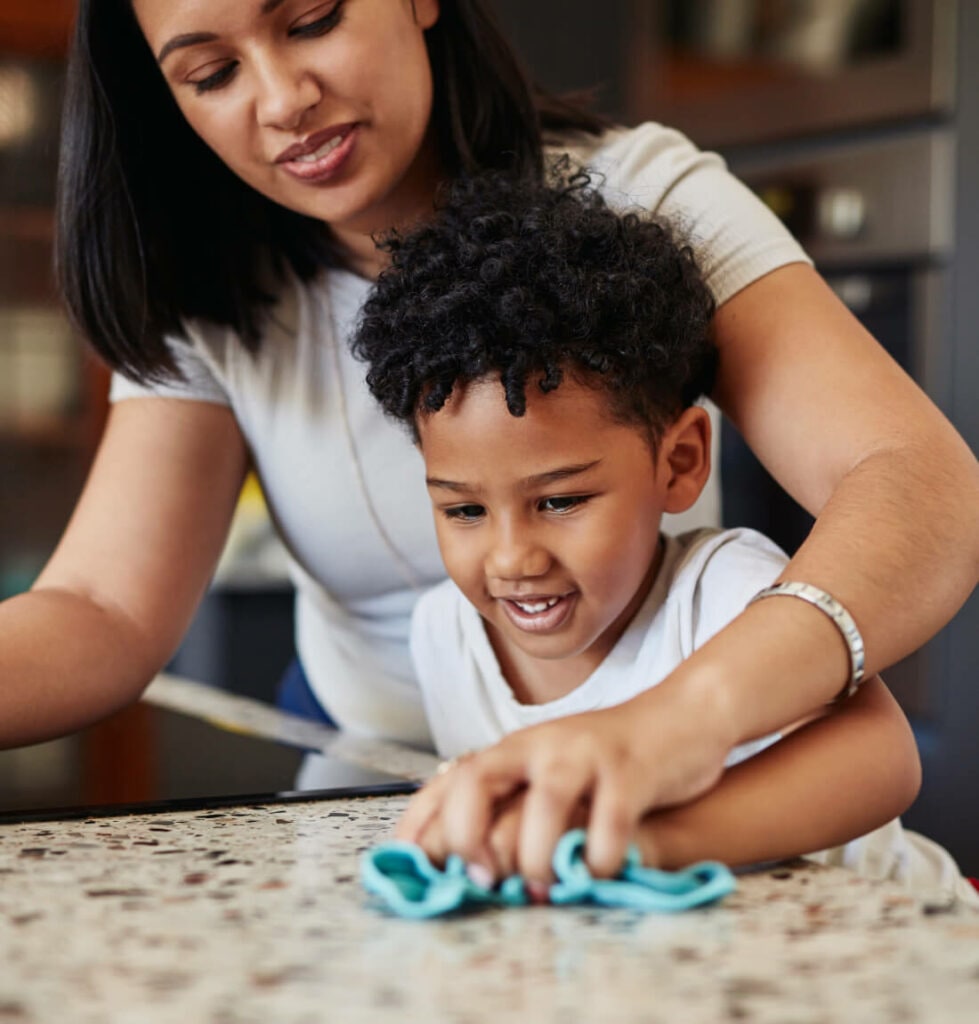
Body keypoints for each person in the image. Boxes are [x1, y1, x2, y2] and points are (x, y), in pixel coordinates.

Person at [1, 0, 976, 882]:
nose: (282, 99)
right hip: (419, 815)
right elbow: (100, 606)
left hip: (661, 791)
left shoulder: (637, 197)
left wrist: (677, 725)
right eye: (211, 74)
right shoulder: (207, 284)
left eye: (312, 19)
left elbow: (915, 480)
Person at [351, 167, 978, 906]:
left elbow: (882, 762)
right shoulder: (442, 634)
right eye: (463, 511)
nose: (511, 557)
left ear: (678, 461)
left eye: (559, 501)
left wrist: (646, 845)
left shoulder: (726, 591)